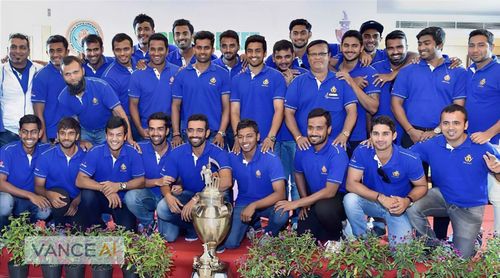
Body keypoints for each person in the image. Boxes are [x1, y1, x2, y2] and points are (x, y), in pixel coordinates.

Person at [407, 104, 500, 258]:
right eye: (446, 123)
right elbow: (403, 156)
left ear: (466, 125)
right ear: (440, 125)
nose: (451, 128)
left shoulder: (481, 146)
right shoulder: (432, 144)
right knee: (410, 204)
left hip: (469, 208)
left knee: (461, 259)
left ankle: (474, 238)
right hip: (443, 197)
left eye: (456, 123)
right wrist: (376, 144)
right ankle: (431, 244)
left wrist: (498, 171)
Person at [344, 116, 427, 246]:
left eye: (385, 134)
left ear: (394, 136)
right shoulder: (362, 151)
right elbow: (351, 184)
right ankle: (364, 241)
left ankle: (387, 235)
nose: (380, 139)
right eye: (376, 134)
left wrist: (407, 201)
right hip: (373, 201)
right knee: (350, 199)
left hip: (396, 207)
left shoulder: (410, 158)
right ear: (370, 135)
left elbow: (422, 186)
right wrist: (380, 197)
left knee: (402, 253)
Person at [275, 108, 349, 246]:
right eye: (310, 128)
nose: (314, 133)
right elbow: (298, 173)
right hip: (313, 197)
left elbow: (330, 191)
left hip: (337, 198)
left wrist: (297, 203)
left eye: (319, 128)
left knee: (324, 209)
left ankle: (338, 237)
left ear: (329, 130)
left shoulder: (337, 152)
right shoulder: (303, 148)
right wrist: (304, 200)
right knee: (304, 239)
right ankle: (327, 227)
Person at [158, 114, 232, 242]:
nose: (195, 134)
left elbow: (227, 182)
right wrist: (168, 196)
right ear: (186, 132)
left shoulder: (218, 152)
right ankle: (193, 227)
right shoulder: (177, 152)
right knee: (162, 208)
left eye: (199, 130)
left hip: (212, 199)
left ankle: (212, 234)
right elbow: (165, 182)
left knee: (230, 242)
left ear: (207, 133)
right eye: (191, 130)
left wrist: (197, 198)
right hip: (188, 195)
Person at [391, 26, 467, 149]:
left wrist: (436, 131)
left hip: (445, 134)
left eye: (426, 43)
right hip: (412, 135)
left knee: (443, 169)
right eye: (419, 44)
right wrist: (410, 131)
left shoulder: (457, 71)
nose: (421, 48)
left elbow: (458, 107)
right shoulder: (407, 71)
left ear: (440, 45)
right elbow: (395, 104)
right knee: (411, 169)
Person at [223, 119, 288, 250]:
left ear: (258, 137)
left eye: (249, 136)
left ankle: (269, 234)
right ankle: (254, 225)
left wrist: (254, 206)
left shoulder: (271, 157)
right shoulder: (232, 157)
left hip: (268, 204)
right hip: (243, 203)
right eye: (240, 137)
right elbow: (224, 180)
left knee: (282, 213)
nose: (244, 141)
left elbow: (281, 194)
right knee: (230, 243)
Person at [284, 40, 357, 152]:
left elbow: (352, 111)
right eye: (313, 54)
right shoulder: (298, 82)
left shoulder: (341, 81)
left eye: (322, 54)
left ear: (329, 56)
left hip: (335, 147)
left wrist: (345, 134)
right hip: (305, 147)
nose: (317, 57)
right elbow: (288, 112)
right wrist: (298, 137)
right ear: (308, 58)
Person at [76, 116, 145, 231]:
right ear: (106, 135)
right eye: (111, 134)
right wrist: (105, 189)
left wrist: (118, 186)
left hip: (122, 201)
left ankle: (119, 223)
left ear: (125, 137)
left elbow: (141, 181)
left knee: (127, 233)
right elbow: (80, 180)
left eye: (118, 135)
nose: (114, 139)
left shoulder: (133, 152)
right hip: (101, 197)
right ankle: (98, 226)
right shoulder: (95, 151)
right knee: (87, 195)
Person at [465, 29, 500, 234]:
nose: (475, 49)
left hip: (493, 141)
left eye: (481, 45)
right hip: (469, 143)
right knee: (473, 193)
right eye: (472, 45)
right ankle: (471, 237)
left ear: (491, 47)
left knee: (496, 194)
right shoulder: (468, 72)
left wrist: (488, 133)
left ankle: (497, 245)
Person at [171, 31, 231, 149]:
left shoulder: (223, 74)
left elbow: (226, 108)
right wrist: (176, 133)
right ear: (194, 49)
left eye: (206, 48)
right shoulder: (182, 74)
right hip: (188, 133)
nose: (202, 52)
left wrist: (221, 133)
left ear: (213, 50)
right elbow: (175, 106)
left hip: (214, 135)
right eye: (199, 47)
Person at [58, 56, 134, 146]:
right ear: (62, 75)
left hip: (106, 129)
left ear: (83, 71)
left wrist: (129, 140)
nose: (73, 77)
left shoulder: (101, 86)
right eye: (67, 74)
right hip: (84, 131)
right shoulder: (63, 98)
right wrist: (79, 142)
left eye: (76, 72)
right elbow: (73, 124)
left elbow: (120, 113)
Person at [230, 35, 286, 154]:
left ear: (265, 53)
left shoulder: (276, 77)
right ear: (245, 53)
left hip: (268, 141)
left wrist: (271, 137)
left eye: (258, 51)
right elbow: (234, 111)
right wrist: (237, 137)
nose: (253, 55)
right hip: (244, 142)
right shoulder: (236, 79)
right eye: (250, 51)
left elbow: (279, 109)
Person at [0, 115, 51, 230]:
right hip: (11, 198)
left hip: (31, 202)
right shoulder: (7, 150)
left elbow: (66, 145)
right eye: (25, 132)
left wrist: (82, 142)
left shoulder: (46, 150)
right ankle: (3, 237)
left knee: (45, 210)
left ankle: (28, 235)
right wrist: (30, 195)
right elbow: (1, 183)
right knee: (4, 203)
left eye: (33, 132)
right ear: (19, 133)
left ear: (40, 133)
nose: (29, 136)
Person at [335, 30, 380, 156]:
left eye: (354, 46)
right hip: (332, 135)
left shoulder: (369, 72)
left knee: (356, 175)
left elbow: (373, 108)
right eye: (346, 45)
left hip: (357, 137)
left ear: (361, 48)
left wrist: (351, 82)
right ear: (341, 47)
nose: (350, 49)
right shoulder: (332, 66)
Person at [126, 112, 172, 233]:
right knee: (130, 197)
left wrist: (180, 186)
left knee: (169, 236)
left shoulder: (176, 151)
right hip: (148, 196)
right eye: (152, 129)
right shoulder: (138, 149)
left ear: (167, 131)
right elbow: (134, 182)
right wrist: (158, 182)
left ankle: (163, 222)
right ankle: (149, 223)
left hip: (168, 198)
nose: (155, 133)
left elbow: (183, 178)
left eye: (160, 129)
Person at [34, 117, 85, 226]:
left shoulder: (86, 157)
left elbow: (89, 185)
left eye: (71, 133)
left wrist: (77, 201)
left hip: (77, 200)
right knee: (62, 197)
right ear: (57, 135)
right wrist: (48, 194)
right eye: (62, 133)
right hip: (55, 197)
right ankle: (54, 224)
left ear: (77, 136)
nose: (66, 137)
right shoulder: (45, 156)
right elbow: (38, 186)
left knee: (79, 229)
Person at [128, 33, 179, 140]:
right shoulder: (137, 74)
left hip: (170, 132)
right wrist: (140, 129)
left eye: (160, 49)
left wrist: (176, 133)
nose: (156, 53)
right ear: (148, 51)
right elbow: (133, 105)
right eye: (152, 49)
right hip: (146, 130)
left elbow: (178, 105)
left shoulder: (177, 72)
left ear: (167, 51)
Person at [0, 33, 43, 146]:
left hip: (33, 131)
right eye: (13, 47)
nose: (17, 51)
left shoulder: (39, 70)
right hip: (7, 132)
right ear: (7, 49)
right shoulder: (1, 71)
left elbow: (56, 66)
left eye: (22, 47)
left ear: (29, 51)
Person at [32, 35, 70, 142]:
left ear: (67, 51)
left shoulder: (74, 72)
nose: (55, 54)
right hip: (52, 135)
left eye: (59, 50)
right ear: (47, 53)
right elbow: (38, 113)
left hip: (73, 133)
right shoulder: (41, 76)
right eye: (51, 51)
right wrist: (44, 140)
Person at [102, 33, 137, 119]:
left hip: (147, 117)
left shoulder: (140, 63)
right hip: (127, 119)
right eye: (118, 50)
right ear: (113, 51)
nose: (122, 53)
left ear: (132, 50)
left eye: (126, 49)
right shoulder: (108, 77)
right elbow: (115, 110)